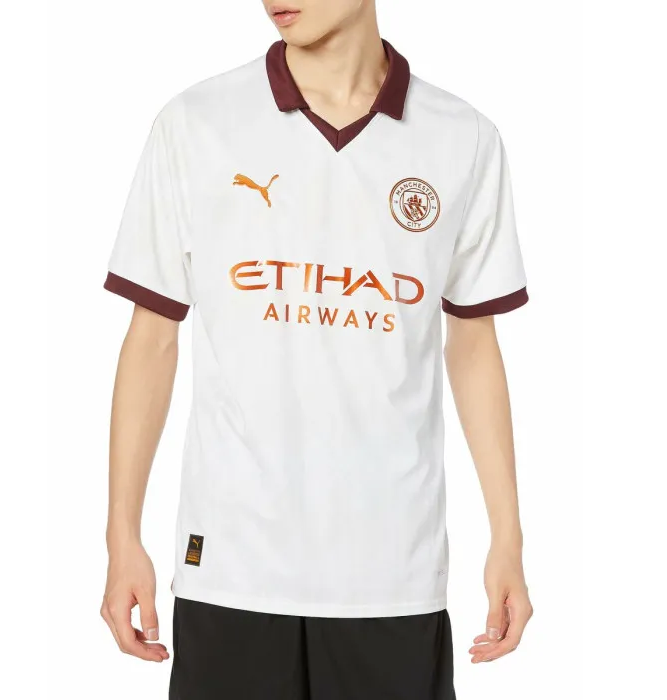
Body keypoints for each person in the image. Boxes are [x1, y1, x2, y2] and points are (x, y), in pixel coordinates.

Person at [100, 1, 533, 697]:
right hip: (232, 571)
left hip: (393, 577)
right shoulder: (195, 123)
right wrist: (122, 535)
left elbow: (474, 342)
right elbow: (151, 338)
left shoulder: (463, 139)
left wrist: (507, 537)